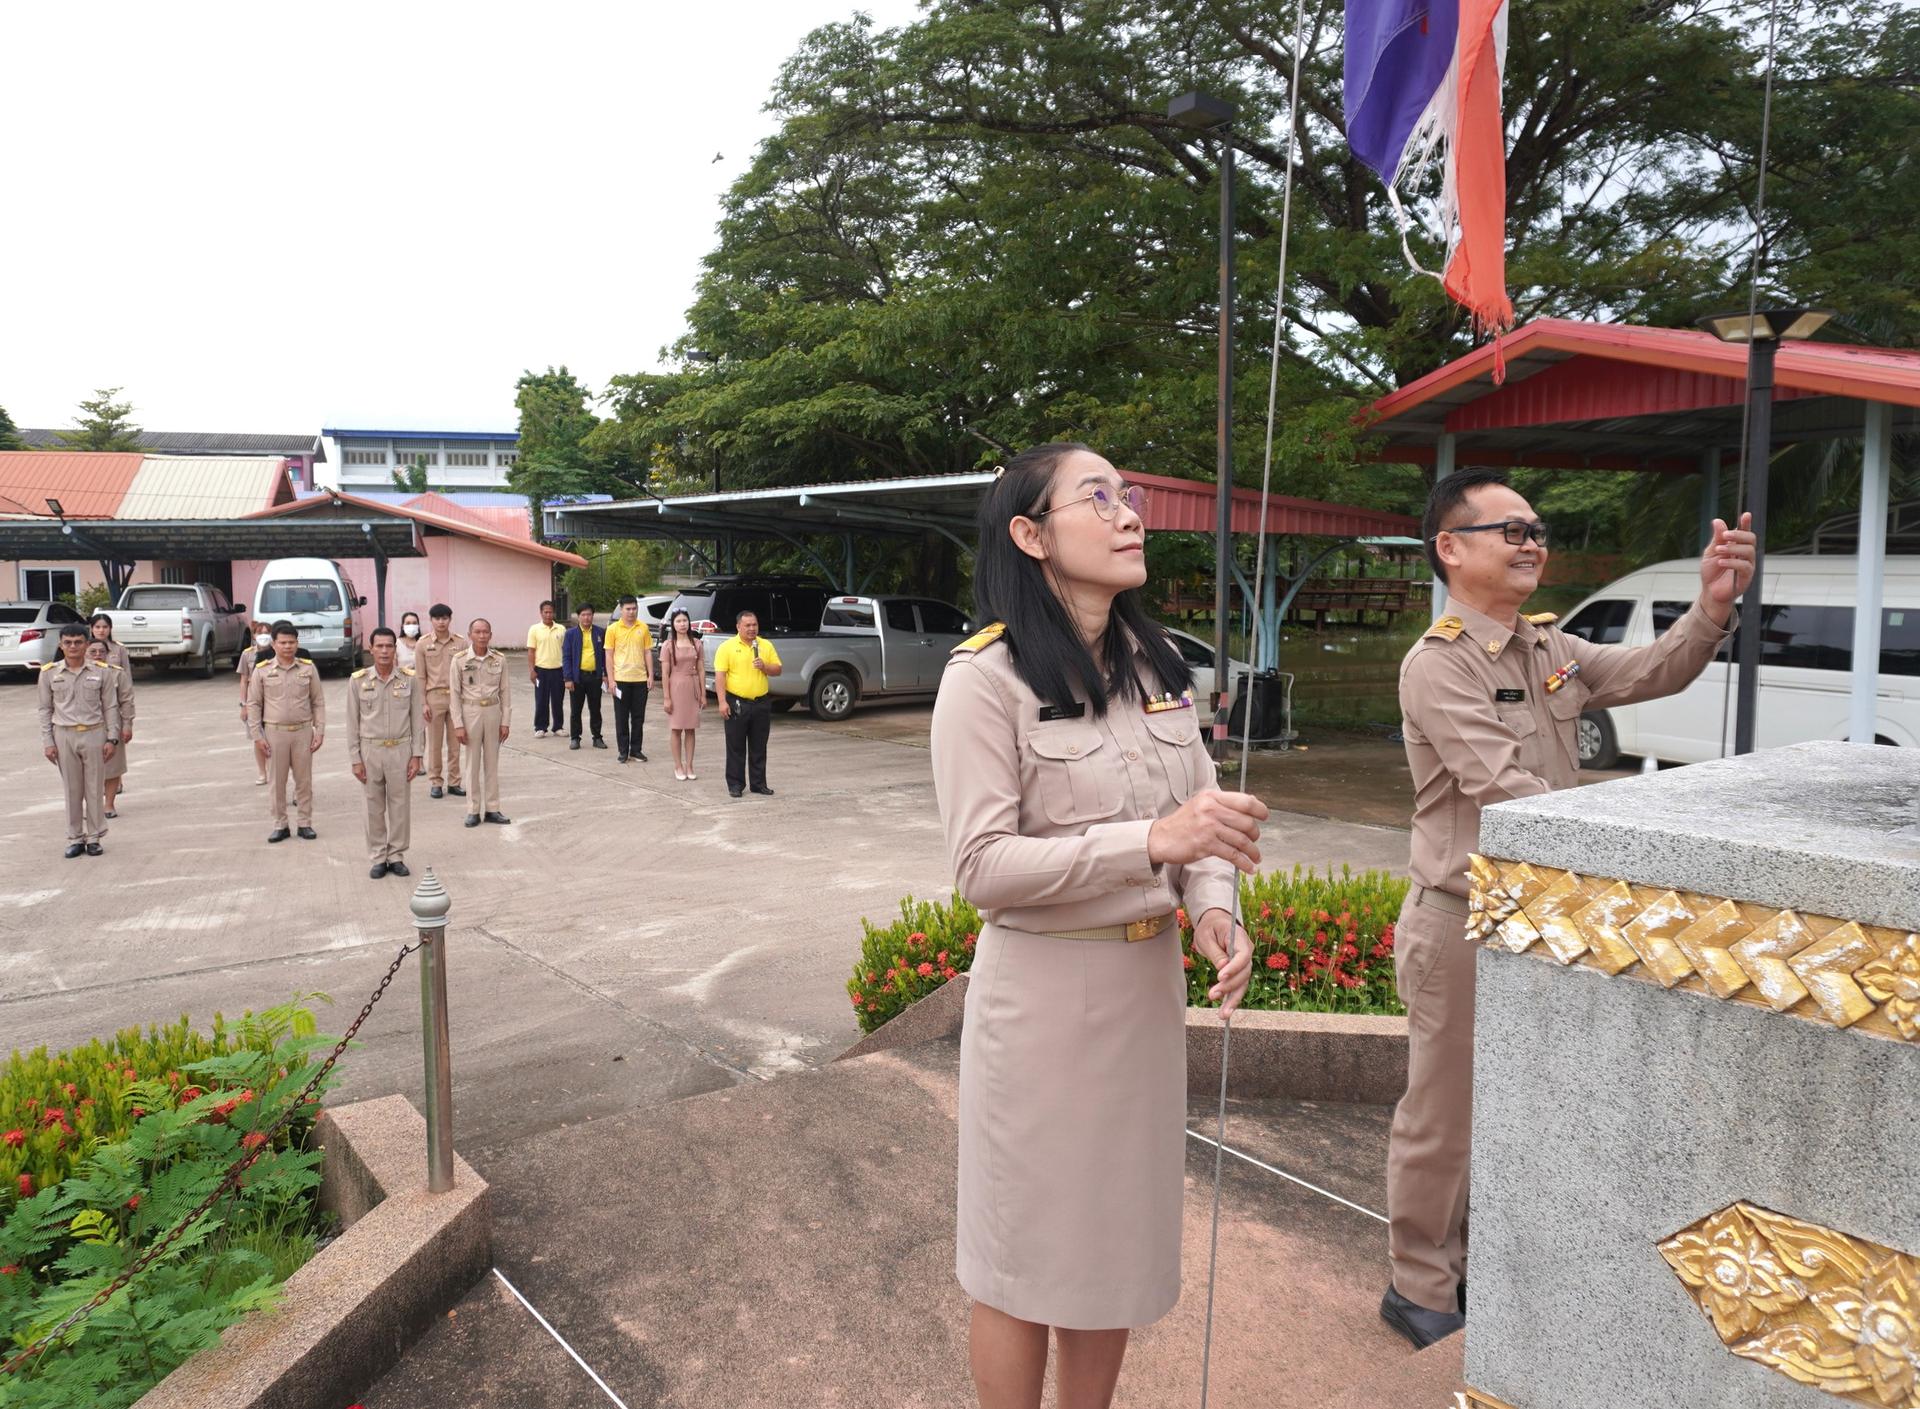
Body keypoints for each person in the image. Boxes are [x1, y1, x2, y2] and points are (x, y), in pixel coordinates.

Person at [1379, 470, 1756, 1350]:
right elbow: (1504, 792)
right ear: (1451, 547)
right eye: (1508, 529)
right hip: (1463, 919)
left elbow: (1652, 669)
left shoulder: (1548, 648)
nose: (1530, 542)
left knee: (1513, 1103)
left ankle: (1474, 1259)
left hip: (1537, 920)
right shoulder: (1438, 664)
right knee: (1443, 1113)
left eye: (1536, 529)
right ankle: (1417, 1282)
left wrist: (1709, 607)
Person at [930, 443, 1266, 1409]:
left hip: (1142, 996)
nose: (1131, 514)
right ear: (1031, 536)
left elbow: (1202, 816)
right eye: (1099, 497)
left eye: (1131, 497)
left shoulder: (1157, 665)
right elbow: (982, 868)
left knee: (1111, 1251)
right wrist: (1150, 841)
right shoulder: (985, 679)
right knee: (1024, 1257)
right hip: (1042, 1002)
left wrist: (1211, 907)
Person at [347, 626, 426, 879]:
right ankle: (378, 856)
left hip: (401, 750)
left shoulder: (408, 679)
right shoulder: (358, 680)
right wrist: (355, 759)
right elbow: (352, 722)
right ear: (371, 649)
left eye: (389, 646)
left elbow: (417, 720)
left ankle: (396, 855)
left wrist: (417, 755)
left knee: (400, 806)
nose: (384, 651)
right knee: (372, 806)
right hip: (371, 750)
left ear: (395, 649)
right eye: (379, 646)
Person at [38, 622, 121, 859]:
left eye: (78, 642)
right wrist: (48, 742)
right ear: (61, 645)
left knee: (94, 788)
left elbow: (110, 707)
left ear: (86, 644)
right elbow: (44, 710)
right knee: (72, 789)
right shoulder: (49, 673)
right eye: (68, 643)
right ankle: (75, 838)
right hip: (63, 734)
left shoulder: (101, 671)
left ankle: (94, 837)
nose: (73, 646)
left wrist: (112, 738)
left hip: (94, 733)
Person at [246, 620, 326, 843]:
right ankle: (280, 825)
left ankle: (304, 823)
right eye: (282, 642)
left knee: (304, 782)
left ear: (297, 643)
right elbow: (253, 704)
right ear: (273, 644)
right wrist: (257, 736)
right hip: (274, 733)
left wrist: (319, 731)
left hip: (302, 732)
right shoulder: (262, 671)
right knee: (276, 782)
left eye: (291, 642)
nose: (287, 647)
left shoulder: (308, 669)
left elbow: (318, 702)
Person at [713, 610, 782, 798]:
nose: (752, 629)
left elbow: (778, 669)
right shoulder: (726, 647)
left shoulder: (765, 645)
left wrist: (765, 667)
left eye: (755, 625)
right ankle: (735, 784)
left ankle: (758, 784)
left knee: (759, 745)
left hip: (761, 703)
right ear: (738, 627)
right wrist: (721, 702)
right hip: (736, 702)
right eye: (748, 625)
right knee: (736, 746)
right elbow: (720, 676)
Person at [450, 618, 512, 827]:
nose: (482, 636)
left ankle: (493, 809)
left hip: (493, 712)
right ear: (470, 635)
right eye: (477, 632)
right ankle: (473, 810)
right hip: (471, 712)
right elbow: (455, 695)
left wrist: (506, 721)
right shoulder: (459, 660)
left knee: (492, 764)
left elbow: (505, 692)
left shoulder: (499, 659)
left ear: (491, 635)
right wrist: (458, 724)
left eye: (486, 632)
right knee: (472, 763)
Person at [418, 604, 468, 800]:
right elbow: (420, 676)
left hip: (456, 697)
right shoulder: (423, 644)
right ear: (431, 620)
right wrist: (423, 702)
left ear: (450, 619)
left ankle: (454, 782)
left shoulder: (461, 643)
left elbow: (467, 672)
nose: (441, 622)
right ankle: (436, 782)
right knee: (435, 743)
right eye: (437, 618)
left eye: (445, 618)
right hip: (434, 696)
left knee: (456, 742)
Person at [85, 639, 134, 817]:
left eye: (101, 652)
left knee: (112, 767)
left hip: (111, 725)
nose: (98, 655)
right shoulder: (77, 674)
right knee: (87, 769)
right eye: (93, 652)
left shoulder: (116, 674)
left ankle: (109, 805)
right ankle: (93, 805)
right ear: (85, 653)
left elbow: (127, 701)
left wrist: (127, 724)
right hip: (85, 726)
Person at [605, 595, 656, 764]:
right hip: (620, 680)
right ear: (621, 609)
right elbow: (609, 655)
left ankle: (636, 750)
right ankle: (623, 751)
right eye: (628, 609)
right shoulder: (613, 629)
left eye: (634, 609)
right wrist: (611, 680)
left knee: (638, 718)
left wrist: (650, 675)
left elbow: (648, 652)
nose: (631, 612)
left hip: (640, 680)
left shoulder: (643, 628)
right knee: (621, 718)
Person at [660, 608, 704, 781]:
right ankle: (678, 765)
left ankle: (690, 764)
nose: (682, 624)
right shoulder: (667, 645)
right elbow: (664, 673)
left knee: (691, 729)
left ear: (689, 622)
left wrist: (702, 693)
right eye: (678, 621)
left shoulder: (697, 644)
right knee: (676, 728)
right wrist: (666, 697)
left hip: (692, 686)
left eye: (684, 620)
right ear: (673, 624)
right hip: (676, 687)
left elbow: (701, 669)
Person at [562, 604, 607, 751]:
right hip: (577, 678)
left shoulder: (600, 632)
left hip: (595, 677)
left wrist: (605, 674)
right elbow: (567, 657)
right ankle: (575, 738)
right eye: (583, 615)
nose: (586, 617)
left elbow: (606, 656)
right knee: (576, 710)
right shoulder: (570, 634)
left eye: (589, 614)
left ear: (593, 615)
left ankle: (597, 737)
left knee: (595, 709)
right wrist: (567, 678)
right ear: (579, 616)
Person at [237, 621, 274, 784]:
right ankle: (262, 772)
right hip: (254, 700)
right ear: (254, 635)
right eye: (260, 633)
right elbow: (244, 680)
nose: (263, 636)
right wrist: (243, 705)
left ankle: (273, 770)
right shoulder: (247, 654)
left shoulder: (277, 652)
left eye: (267, 632)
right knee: (257, 737)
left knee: (273, 738)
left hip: (272, 700)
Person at [526, 600, 567, 738]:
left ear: (554, 612)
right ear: (541, 613)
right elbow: (531, 651)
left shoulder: (561, 629)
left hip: (558, 670)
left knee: (557, 700)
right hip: (541, 670)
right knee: (541, 700)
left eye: (551, 612)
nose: (548, 615)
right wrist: (532, 670)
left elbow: (565, 650)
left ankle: (558, 727)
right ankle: (540, 727)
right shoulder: (534, 629)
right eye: (546, 612)